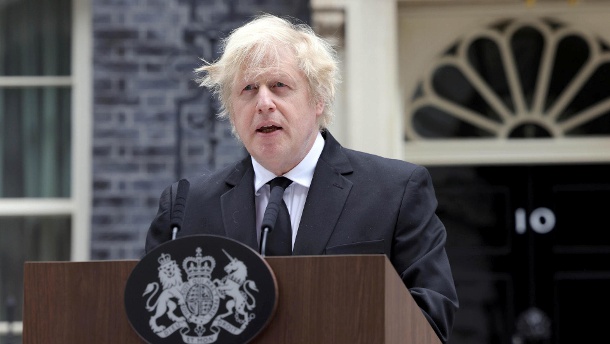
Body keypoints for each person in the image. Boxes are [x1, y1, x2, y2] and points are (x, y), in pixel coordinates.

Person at [145, 13, 459, 343]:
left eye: (279, 86)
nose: (264, 103)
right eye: (248, 90)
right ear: (232, 112)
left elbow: (429, 318)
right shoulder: (186, 207)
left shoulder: (397, 191)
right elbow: (151, 321)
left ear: (318, 99)